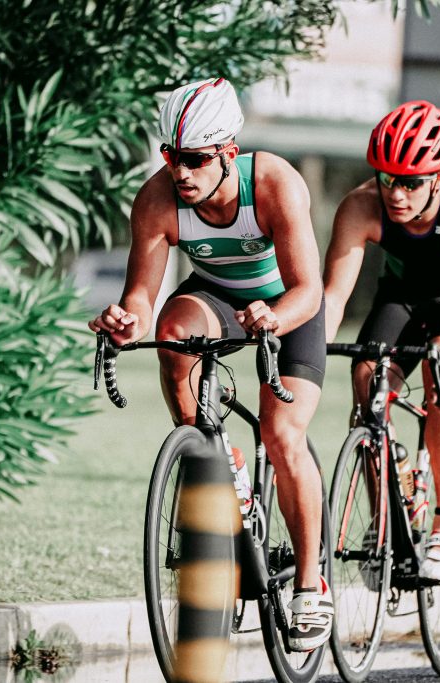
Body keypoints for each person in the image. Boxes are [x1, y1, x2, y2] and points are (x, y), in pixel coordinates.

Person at [88, 78, 332, 651]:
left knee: (282, 433)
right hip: (217, 297)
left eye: (195, 159)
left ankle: (310, 585)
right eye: (170, 156)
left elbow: (308, 289)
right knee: (173, 334)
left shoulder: (273, 183)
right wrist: (125, 320)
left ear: (228, 152)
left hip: (289, 306)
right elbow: (142, 300)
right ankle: (217, 460)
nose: (180, 172)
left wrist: (274, 315)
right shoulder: (157, 200)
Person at [323, 100, 440, 581]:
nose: (396, 194)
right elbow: (333, 297)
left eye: (411, 182)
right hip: (402, 296)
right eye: (387, 179)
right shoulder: (361, 206)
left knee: (438, 375)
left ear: (438, 178)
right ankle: (383, 521)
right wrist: (310, 352)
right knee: (366, 378)